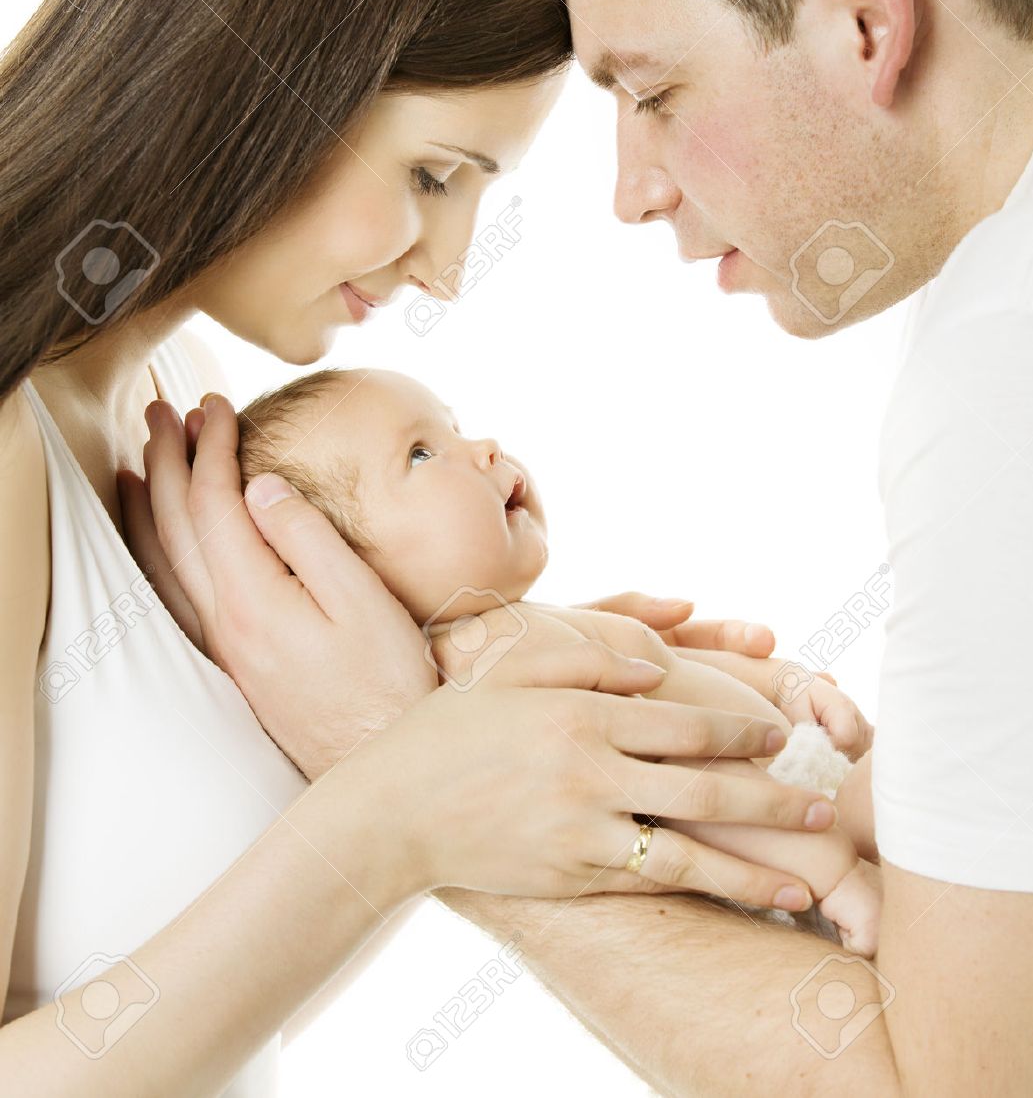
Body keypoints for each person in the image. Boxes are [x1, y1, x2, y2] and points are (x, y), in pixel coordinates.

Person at [140, 0, 1033, 1093]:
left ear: (862, 16)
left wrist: (420, 785)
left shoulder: (1030, 353)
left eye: (651, 92)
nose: (628, 190)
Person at [0, 0, 837, 1094]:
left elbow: (215, 1003)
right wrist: (402, 800)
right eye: (437, 176)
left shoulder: (187, 400)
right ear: (255, 75)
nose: (447, 270)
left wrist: (470, 710)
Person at [233, 365, 882, 951]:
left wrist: (785, 683)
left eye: (452, 428)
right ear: (340, 570)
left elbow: (674, 675)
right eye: (422, 453)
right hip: (803, 828)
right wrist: (833, 870)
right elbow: (674, 783)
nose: (484, 447)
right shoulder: (479, 680)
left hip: (809, 790)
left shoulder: (522, 632)